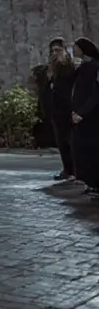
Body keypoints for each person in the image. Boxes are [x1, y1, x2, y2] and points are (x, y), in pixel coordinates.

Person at [69, 38, 99, 197]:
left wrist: (82, 112)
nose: (73, 49)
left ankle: (95, 183)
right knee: (81, 150)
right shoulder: (81, 67)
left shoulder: (95, 67)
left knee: (92, 150)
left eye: (76, 47)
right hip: (79, 115)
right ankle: (89, 182)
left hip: (91, 116)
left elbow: (95, 93)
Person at [45, 38, 78, 182]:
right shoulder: (52, 69)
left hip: (69, 109)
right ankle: (67, 170)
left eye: (57, 50)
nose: (54, 53)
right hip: (56, 109)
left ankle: (76, 171)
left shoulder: (71, 67)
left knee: (71, 142)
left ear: (65, 51)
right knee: (62, 143)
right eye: (52, 51)